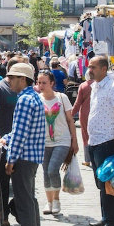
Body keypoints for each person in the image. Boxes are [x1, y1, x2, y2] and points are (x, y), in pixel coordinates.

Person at [0, 62, 45, 226]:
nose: (8, 81)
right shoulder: (32, 97)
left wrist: (10, 159)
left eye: (12, 77)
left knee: (24, 203)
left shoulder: (25, 100)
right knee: (29, 201)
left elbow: (20, 134)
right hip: (30, 157)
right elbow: (20, 132)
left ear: (22, 79)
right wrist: (4, 139)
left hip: (23, 158)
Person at [86, 55, 114, 226]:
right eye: (89, 67)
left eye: (93, 67)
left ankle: (113, 223)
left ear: (104, 69)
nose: (90, 70)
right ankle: (105, 217)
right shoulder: (95, 86)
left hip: (107, 141)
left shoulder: (113, 88)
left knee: (108, 183)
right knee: (101, 183)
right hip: (94, 140)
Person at [0, 55, 22, 226]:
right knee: (3, 182)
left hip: (23, 143)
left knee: (23, 182)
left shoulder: (25, 88)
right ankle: (4, 216)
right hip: (4, 142)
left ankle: (18, 211)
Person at [37, 70, 78, 215]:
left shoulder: (62, 98)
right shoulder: (37, 99)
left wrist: (75, 140)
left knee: (52, 169)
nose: (41, 85)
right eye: (39, 82)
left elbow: (70, 120)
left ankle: (56, 200)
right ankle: (49, 202)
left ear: (52, 83)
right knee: (46, 171)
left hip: (62, 140)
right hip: (43, 141)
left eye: (44, 83)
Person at [71, 79, 93, 167]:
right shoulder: (99, 83)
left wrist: (70, 114)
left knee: (85, 136)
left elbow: (78, 103)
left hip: (85, 114)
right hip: (97, 113)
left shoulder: (84, 86)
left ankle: (87, 160)